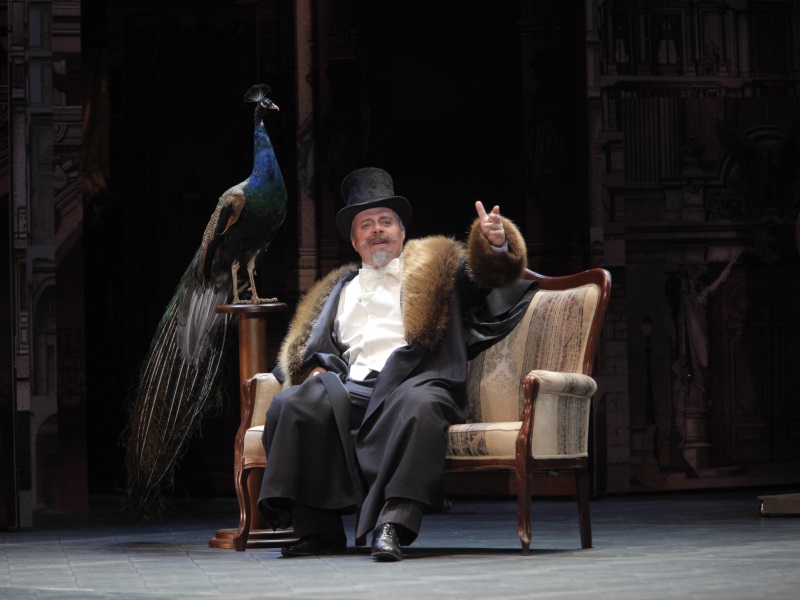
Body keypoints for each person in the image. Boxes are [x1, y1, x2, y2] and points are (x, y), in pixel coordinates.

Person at [258, 167, 535, 561]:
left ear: (402, 232)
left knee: (421, 406)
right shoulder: (338, 289)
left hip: (415, 379)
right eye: (366, 224)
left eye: (385, 222)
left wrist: (496, 244)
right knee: (291, 404)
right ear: (354, 241)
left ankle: (393, 525)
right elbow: (312, 346)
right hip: (351, 385)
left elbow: (486, 278)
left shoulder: (436, 270)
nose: (377, 230)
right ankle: (318, 529)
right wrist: (312, 369)